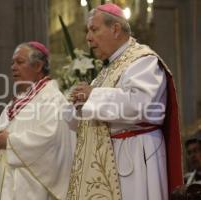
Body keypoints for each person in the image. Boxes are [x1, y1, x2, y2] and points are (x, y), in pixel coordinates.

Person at [66, 3, 182, 200]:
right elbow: (81, 120)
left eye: (94, 30)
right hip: (110, 157)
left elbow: (142, 104)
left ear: (115, 29)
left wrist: (92, 95)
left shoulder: (143, 61)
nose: (88, 38)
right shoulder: (107, 71)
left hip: (136, 156)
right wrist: (77, 105)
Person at [0, 41, 76, 200]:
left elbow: (51, 140)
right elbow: (2, 130)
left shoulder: (53, 99)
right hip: (8, 187)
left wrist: (9, 142)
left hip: (34, 191)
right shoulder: (14, 103)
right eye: (12, 63)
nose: (13, 67)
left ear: (38, 66)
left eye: (19, 62)